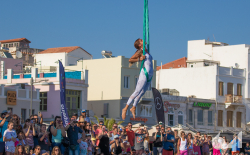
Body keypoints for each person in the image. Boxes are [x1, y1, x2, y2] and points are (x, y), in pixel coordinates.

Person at [122, 38, 153, 119]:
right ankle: (126, 108)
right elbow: (130, 59)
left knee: (142, 93)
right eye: (141, 40)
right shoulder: (140, 51)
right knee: (137, 91)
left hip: (150, 74)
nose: (143, 40)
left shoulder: (146, 50)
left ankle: (134, 107)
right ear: (139, 44)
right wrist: (139, 59)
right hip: (145, 73)